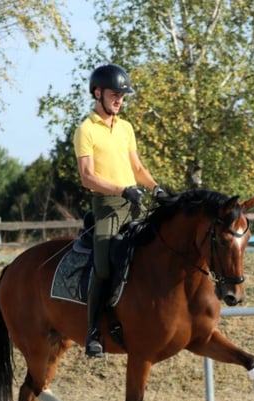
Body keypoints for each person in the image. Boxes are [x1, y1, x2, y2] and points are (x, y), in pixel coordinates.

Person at [73, 63, 165, 358]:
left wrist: (155, 188)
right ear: (97, 93)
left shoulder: (125, 127)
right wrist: (121, 190)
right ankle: (92, 333)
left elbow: (136, 167)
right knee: (103, 267)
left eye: (122, 96)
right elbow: (88, 177)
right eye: (115, 95)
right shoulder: (86, 130)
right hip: (107, 208)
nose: (119, 100)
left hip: (133, 204)